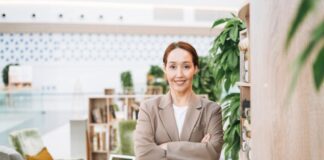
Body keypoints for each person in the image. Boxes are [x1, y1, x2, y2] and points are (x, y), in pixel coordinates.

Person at [135, 41, 223, 160]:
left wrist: (165, 148)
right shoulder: (149, 108)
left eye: (186, 66)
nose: (179, 74)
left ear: (195, 68)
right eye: (172, 67)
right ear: (164, 69)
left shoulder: (211, 110)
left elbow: (212, 154)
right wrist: (198, 150)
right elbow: (143, 154)